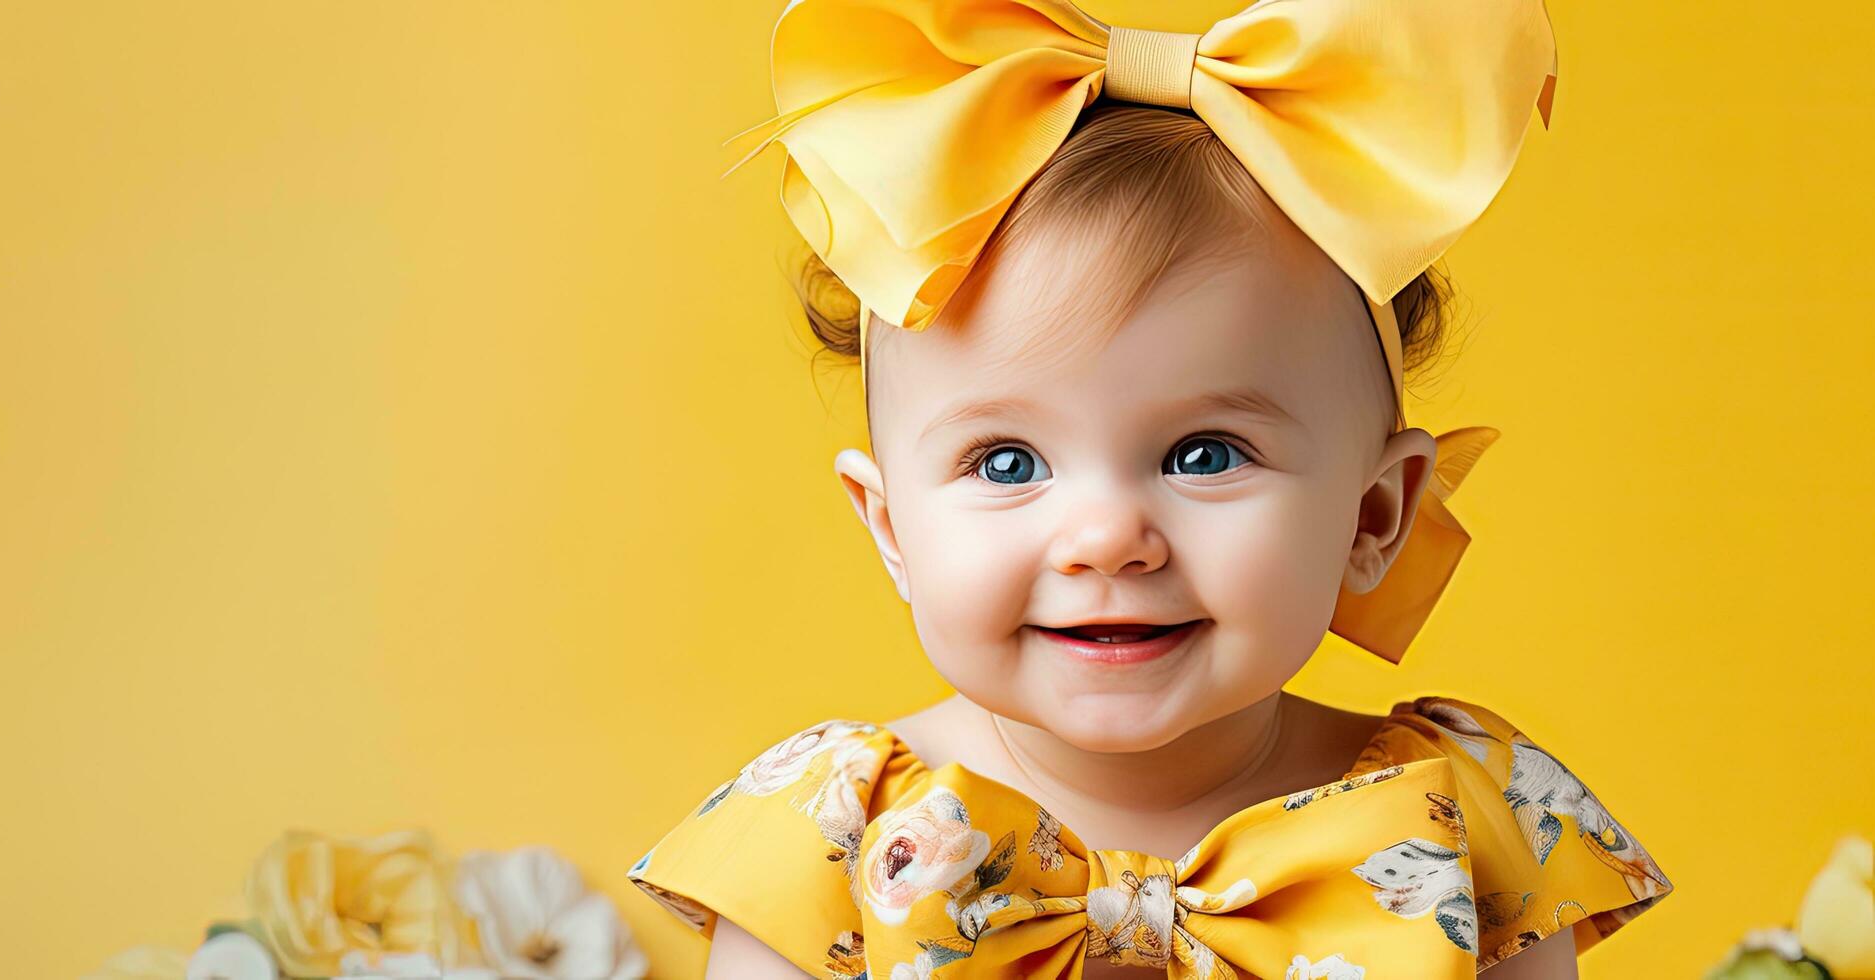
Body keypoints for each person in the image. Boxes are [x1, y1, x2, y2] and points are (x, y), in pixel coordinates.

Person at [628, 0, 1673, 976]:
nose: (1106, 537)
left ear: (1372, 514)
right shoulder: (827, 837)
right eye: (1006, 463)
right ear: (891, 528)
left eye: (1203, 453)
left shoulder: (1454, 818)